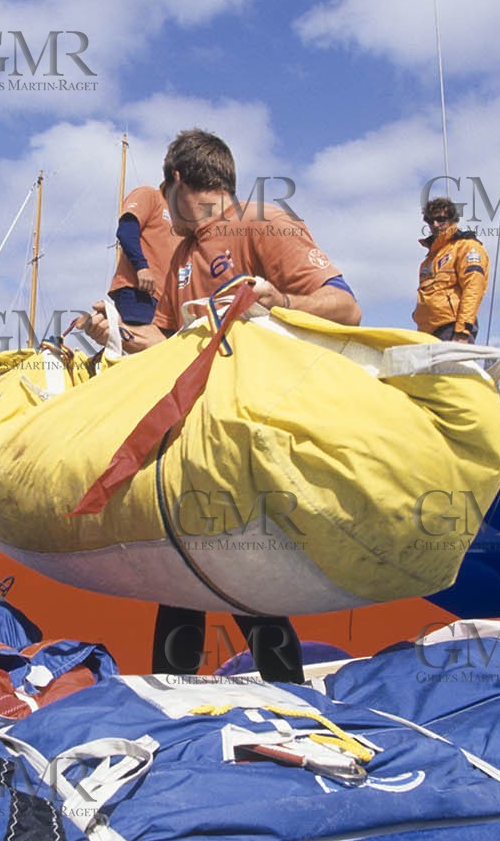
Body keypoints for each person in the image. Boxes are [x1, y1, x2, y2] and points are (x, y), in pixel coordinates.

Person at [86, 128, 362, 684]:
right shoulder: (183, 256)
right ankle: (174, 707)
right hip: (195, 444)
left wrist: (279, 300)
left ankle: (291, 704)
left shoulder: (261, 222)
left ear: (177, 182)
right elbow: (167, 347)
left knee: (248, 582)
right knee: (182, 578)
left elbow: (346, 308)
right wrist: (112, 336)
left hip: (255, 439)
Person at [412, 196, 488, 342]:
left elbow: (473, 289)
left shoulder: (467, 247)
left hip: (452, 329)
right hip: (427, 334)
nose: (435, 224)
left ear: (452, 219)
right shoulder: (428, 260)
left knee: (452, 365)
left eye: (441, 219)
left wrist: (462, 331)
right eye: (430, 220)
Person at [108, 182, 173, 328]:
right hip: (139, 292)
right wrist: (141, 266)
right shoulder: (150, 195)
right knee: (137, 347)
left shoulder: (182, 221)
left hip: (165, 306)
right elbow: (126, 231)